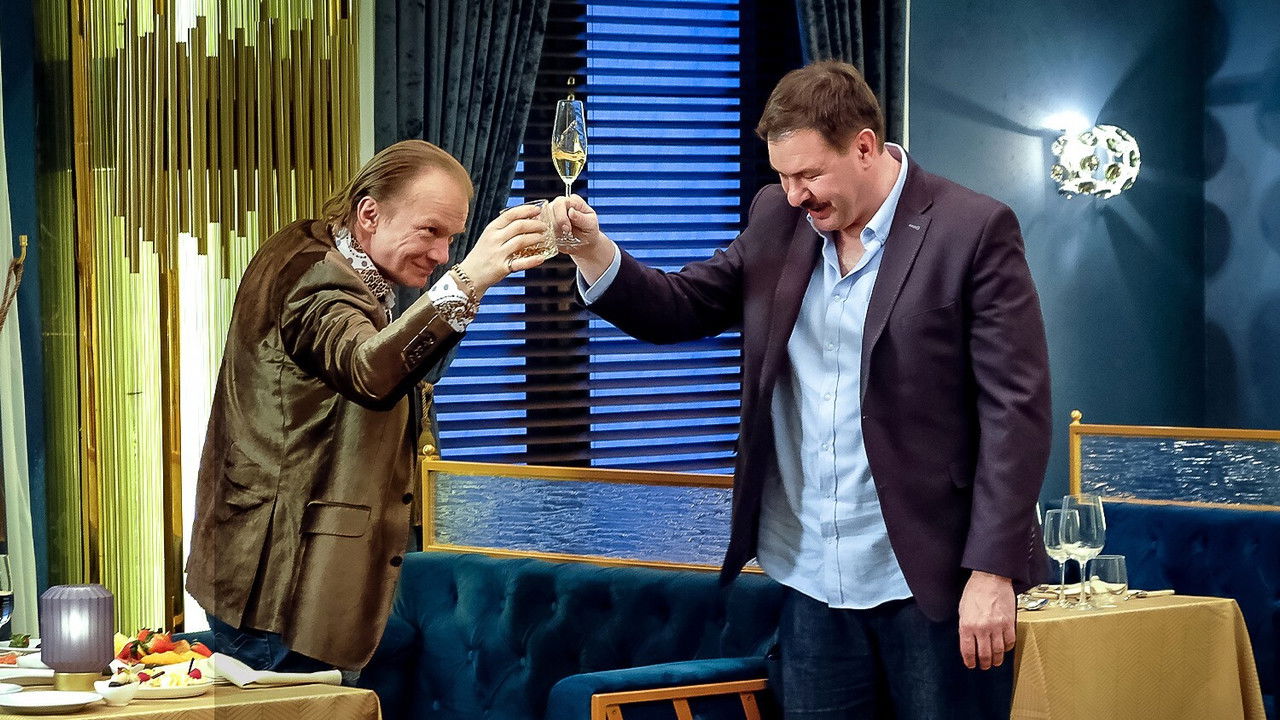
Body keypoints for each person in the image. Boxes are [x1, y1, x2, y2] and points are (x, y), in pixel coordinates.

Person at [553, 61, 1051, 718]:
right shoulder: (778, 218)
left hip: (937, 581)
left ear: (865, 147)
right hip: (813, 580)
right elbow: (682, 306)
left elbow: (1016, 410)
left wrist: (993, 571)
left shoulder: (973, 229)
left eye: (808, 174)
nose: (793, 195)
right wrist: (592, 250)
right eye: (783, 176)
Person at [186, 139, 551, 673]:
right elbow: (366, 370)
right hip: (283, 585)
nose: (442, 255)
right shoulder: (315, 277)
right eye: (430, 231)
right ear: (369, 214)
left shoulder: (317, 244)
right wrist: (469, 281)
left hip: (291, 574)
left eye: (453, 239)